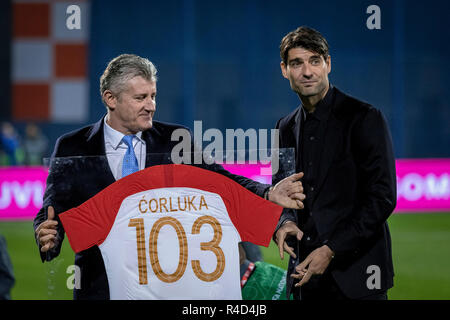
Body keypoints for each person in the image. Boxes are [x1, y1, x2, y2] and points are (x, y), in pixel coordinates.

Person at [33, 54, 305, 299]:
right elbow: (53, 207)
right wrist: (48, 236)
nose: (150, 105)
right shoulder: (72, 146)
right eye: (140, 98)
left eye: (153, 96)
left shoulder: (176, 140)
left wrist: (268, 194)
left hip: (168, 288)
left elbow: (222, 183)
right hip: (101, 288)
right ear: (110, 99)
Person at [273, 26, 396, 300]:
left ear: (328, 64)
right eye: (297, 63)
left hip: (359, 277)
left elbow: (382, 198)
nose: (307, 71)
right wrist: (284, 222)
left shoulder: (365, 118)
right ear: (285, 70)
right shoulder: (284, 127)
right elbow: (282, 188)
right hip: (306, 277)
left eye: (315, 61)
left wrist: (331, 249)